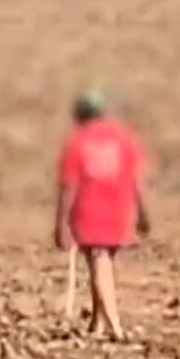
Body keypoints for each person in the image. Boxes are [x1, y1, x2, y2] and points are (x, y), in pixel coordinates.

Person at [53, 89, 149, 340]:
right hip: (118, 210)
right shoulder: (123, 139)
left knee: (98, 262)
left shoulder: (77, 143)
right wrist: (143, 213)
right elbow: (137, 180)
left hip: (89, 210)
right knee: (102, 264)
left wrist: (61, 222)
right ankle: (96, 323)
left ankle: (113, 323)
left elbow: (69, 186)